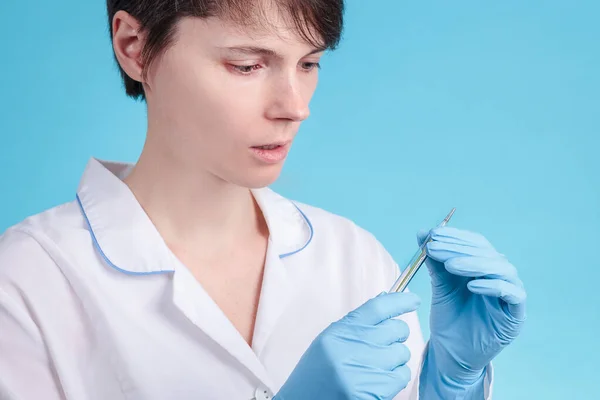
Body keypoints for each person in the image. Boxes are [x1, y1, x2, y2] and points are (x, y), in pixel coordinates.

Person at [0, 0, 527, 399]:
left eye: (308, 64)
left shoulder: (351, 256)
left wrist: (451, 381)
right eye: (248, 65)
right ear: (134, 47)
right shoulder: (27, 280)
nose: (294, 107)